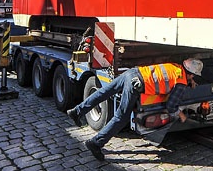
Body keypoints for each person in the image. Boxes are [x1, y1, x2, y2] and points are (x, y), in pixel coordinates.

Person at [67, 58, 204, 160]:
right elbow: (171, 106)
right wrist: (181, 114)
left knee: (104, 93)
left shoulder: (175, 67)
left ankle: (77, 111)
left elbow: (169, 77)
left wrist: (188, 81)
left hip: (132, 73)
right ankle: (95, 143)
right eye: (193, 76)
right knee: (121, 117)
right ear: (191, 74)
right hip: (136, 85)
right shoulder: (181, 81)